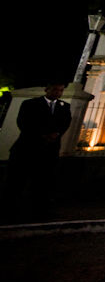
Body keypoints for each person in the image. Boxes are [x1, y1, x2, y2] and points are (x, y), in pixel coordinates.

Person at [7, 81, 72, 214]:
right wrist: (41, 135)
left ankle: (40, 207)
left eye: (60, 90)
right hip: (27, 148)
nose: (57, 93)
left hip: (50, 149)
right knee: (18, 179)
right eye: (55, 90)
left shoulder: (64, 106)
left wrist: (57, 134)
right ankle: (10, 207)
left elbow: (66, 122)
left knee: (43, 179)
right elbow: (23, 122)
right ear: (46, 90)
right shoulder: (30, 104)